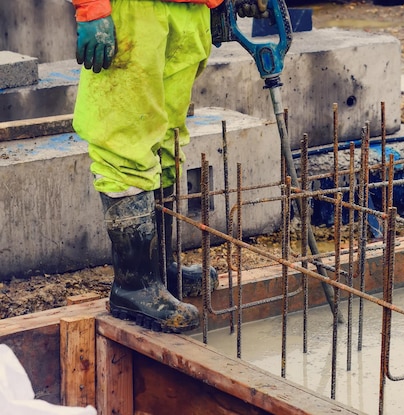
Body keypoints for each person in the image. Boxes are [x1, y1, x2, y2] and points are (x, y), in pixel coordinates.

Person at [70, 0, 266, 332]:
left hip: (191, 13)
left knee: (166, 143)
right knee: (125, 143)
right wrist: (92, 8)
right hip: (136, 14)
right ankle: (135, 285)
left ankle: (160, 270)